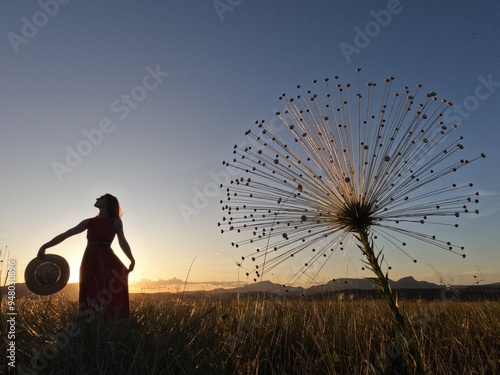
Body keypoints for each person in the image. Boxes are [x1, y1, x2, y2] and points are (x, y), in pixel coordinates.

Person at [38, 194, 135, 320]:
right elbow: (67, 234)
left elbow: (122, 241)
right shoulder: (89, 222)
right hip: (90, 258)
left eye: (101, 197)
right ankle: (88, 321)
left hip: (107, 258)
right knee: (89, 287)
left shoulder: (115, 221)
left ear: (107, 203)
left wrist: (131, 259)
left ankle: (114, 319)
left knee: (111, 286)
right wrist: (45, 246)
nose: (96, 199)